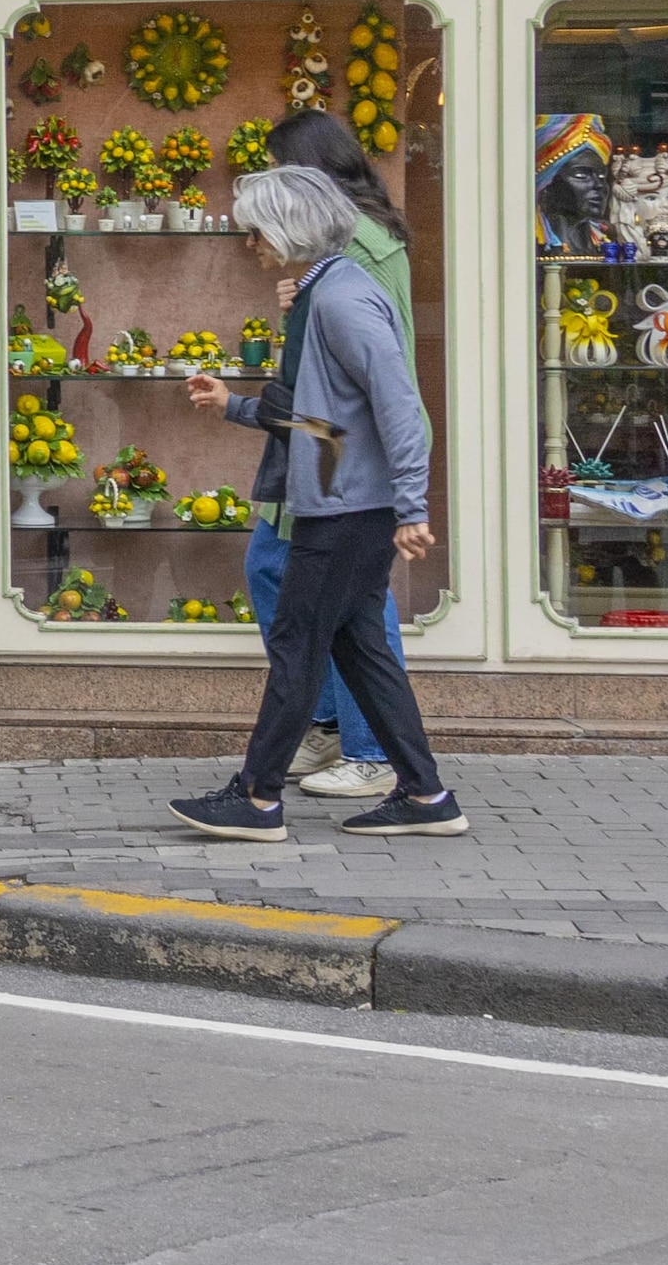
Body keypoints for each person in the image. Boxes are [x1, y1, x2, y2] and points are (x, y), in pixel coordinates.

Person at [173, 165, 462, 841]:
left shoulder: (339, 299)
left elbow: (396, 402)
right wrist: (235, 407)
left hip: (346, 510)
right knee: (361, 651)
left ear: (288, 227)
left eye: (255, 229)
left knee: (298, 647)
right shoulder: (325, 292)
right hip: (346, 504)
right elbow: (326, 420)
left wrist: (414, 506)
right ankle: (425, 794)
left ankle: (257, 796)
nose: (250, 242)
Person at [252, 107, 413, 801]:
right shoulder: (347, 240)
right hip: (324, 433)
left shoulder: (358, 242)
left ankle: (371, 749)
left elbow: (378, 357)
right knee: (271, 565)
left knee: (358, 602)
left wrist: (411, 499)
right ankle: (325, 723)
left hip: (343, 438)